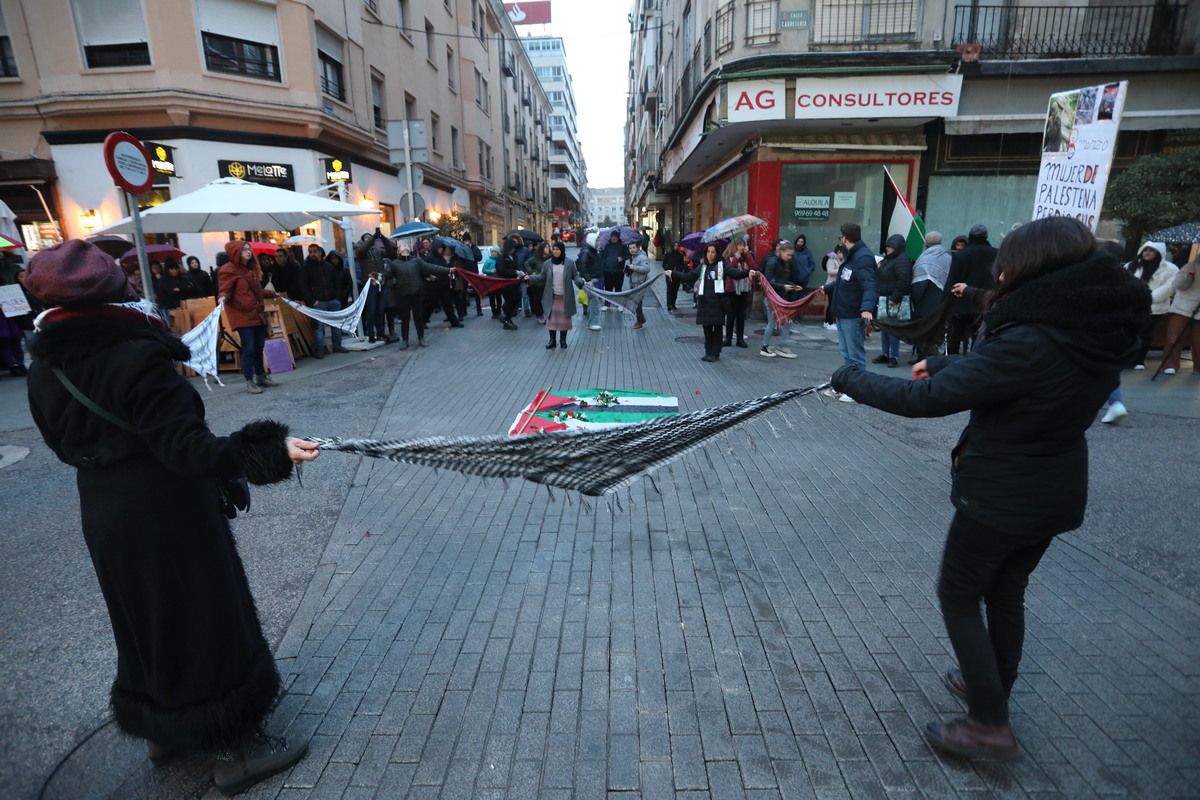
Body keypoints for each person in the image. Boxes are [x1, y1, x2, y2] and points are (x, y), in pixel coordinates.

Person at [831, 216, 1150, 763]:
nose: (999, 268)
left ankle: (989, 727)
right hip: (1053, 487)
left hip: (1004, 491)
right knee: (1005, 591)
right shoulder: (1089, 326)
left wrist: (850, 378)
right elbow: (1026, 373)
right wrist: (952, 361)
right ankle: (991, 687)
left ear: (1031, 267)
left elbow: (924, 401)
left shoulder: (1030, 335)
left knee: (959, 594)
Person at [22, 239, 318, 793]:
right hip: (167, 510)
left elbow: (61, 447)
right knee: (203, 617)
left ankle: (165, 730)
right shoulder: (139, 355)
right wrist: (268, 449)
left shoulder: (45, 365)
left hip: (106, 511)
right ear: (117, 291)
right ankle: (237, 746)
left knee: (146, 621)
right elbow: (188, 451)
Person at [817, 222, 877, 402]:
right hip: (843, 312)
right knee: (847, 353)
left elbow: (870, 285)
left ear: (844, 238)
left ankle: (857, 391)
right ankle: (845, 386)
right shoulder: (853, 256)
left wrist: (867, 308)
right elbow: (845, 282)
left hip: (853, 314)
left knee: (855, 355)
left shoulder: (863, 257)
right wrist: (827, 288)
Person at [219, 240, 280, 392]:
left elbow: (257, 291)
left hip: (256, 313)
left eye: (249, 249)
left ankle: (261, 376)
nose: (248, 252)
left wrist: (272, 294)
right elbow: (225, 289)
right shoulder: (228, 269)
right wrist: (223, 298)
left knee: (259, 346)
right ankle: (249, 380)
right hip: (242, 315)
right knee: (249, 348)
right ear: (236, 252)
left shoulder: (250, 270)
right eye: (244, 249)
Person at [1124, 241, 1178, 369]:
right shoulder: (1131, 266)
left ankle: (1138, 360)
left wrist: (1146, 298)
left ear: (1159, 253)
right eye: (1145, 249)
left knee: (1145, 335)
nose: (1147, 252)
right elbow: (1122, 283)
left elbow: (1169, 288)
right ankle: (1125, 358)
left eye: (1151, 250)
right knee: (1128, 333)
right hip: (1131, 307)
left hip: (1154, 308)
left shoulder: (1171, 269)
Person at [387, 243, 452, 349]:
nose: (405, 246)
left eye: (406, 245)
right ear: (399, 251)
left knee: (418, 317)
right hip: (403, 294)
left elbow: (431, 267)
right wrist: (378, 276)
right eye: (402, 246)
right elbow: (387, 274)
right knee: (405, 318)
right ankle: (405, 340)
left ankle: (421, 338)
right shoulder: (395, 263)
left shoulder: (416, 261)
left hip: (417, 293)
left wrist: (448, 270)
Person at [946, 224, 998, 355]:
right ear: (986, 236)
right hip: (984, 302)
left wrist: (945, 302)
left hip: (960, 304)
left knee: (955, 338)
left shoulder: (961, 255)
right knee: (979, 338)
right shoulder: (996, 254)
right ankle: (975, 363)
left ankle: (950, 365)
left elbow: (952, 281)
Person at [693, 242, 748, 363]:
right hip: (705, 303)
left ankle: (715, 353)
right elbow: (689, 276)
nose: (710, 254)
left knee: (717, 329)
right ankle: (708, 352)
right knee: (706, 329)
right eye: (708, 252)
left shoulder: (722, 265)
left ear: (717, 253)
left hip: (718, 302)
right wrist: (673, 274)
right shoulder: (703, 267)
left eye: (713, 252)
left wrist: (749, 272)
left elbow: (736, 274)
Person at [296, 244, 348, 359]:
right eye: (310, 252)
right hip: (318, 301)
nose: (312, 254)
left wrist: (337, 298)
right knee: (319, 327)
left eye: (314, 251)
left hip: (332, 299)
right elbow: (303, 286)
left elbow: (337, 282)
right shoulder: (306, 267)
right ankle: (319, 349)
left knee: (336, 324)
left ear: (320, 252)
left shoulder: (328, 266)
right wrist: (311, 300)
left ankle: (337, 345)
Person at [909, 231, 954, 362]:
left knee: (923, 329)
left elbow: (919, 284)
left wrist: (914, 299)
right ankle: (934, 355)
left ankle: (922, 356)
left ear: (926, 243)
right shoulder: (948, 257)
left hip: (925, 302)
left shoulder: (924, 258)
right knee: (937, 328)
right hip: (942, 300)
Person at [874, 234, 915, 368]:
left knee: (893, 329)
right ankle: (885, 354)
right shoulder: (888, 260)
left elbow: (904, 280)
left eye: (890, 246)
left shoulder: (902, 260)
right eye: (887, 246)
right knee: (884, 328)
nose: (887, 249)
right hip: (885, 298)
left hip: (893, 300)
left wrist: (895, 298)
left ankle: (894, 356)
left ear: (897, 247)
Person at [759, 242, 804, 360]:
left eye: (791, 255)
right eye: (788, 255)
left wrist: (793, 286)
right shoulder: (773, 262)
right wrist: (785, 287)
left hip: (779, 298)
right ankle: (766, 347)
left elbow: (781, 280)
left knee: (787, 322)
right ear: (782, 252)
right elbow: (767, 282)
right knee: (773, 323)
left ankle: (780, 346)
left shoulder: (782, 262)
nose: (790, 258)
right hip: (772, 299)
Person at [542, 241, 584, 349]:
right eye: (554, 249)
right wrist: (530, 278)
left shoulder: (569, 263)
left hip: (565, 297)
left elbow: (575, 275)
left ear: (562, 251)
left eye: (558, 249)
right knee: (551, 320)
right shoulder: (547, 264)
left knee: (564, 321)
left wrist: (580, 281)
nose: (556, 251)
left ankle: (563, 340)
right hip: (552, 297)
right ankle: (552, 340)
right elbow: (541, 276)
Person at [1162, 257, 1200, 375]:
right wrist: (1188, 275)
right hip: (1182, 307)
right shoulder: (1191, 266)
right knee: (1174, 337)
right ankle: (1170, 364)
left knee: (1198, 340)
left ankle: (1198, 367)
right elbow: (1178, 285)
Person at [421, 241, 464, 328]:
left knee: (448, 305)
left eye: (442, 248)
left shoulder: (441, 258)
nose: (441, 250)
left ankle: (454, 322)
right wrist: (429, 275)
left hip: (443, 285)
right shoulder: (429, 257)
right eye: (440, 248)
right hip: (433, 286)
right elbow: (424, 269)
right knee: (429, 305)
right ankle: (422, 322)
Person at [722, 239, 755, 348]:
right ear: (734, 247)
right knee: (731, 315)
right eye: (739, 245)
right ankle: (728, 338)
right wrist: (736, 258)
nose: (741, 247)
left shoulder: (745, 258)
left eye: (743, 245)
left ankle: (740, 339)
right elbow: (729, 270)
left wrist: (747, 254)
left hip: (744, 289)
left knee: (741, 315)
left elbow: (753, 267)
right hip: (731, 289)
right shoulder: (727, 257)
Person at [0, 252, 29, 376]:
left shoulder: (10, 266)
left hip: (10, 308)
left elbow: (18, 276)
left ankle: (19, 363)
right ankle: (13, 365)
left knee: (15, 338)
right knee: (5, 340)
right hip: (5, 310)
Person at [575, 233, 603, 329]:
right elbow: (583, 266)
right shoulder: (587, 251)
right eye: (597, 241)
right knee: (594, 301)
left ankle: (592, 322)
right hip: (590, 280)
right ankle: (593, 323)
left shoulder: (593, 250)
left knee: (593, 301)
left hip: (593, 279)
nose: (598, 242)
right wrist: (588, 279)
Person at [495, 238, 524, 330]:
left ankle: (506, 318)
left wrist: (519, 273)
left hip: (514, 283)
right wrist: (515, 272)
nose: (514, 249)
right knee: (509, 301)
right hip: (505, 283)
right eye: (512, 247)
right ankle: (507, 319)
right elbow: (502, 270)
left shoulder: (513, 257)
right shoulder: (501, 258)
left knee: (516, 299)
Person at [625, 241, 651, 329]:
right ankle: (641, 320)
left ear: (637, 248)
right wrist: (628, 272)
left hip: (640, 284)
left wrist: (634, 267)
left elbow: (647, 269)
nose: (632, 250)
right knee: (636, 303)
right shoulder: (631, 257)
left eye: (633, 248)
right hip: (633, 283)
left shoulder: (642, 257)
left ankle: (639, 321)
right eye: (630, 248)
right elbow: (631, 269)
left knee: (637, 303)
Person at [600, 231, 626, 311]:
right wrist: (602, 268)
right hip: (607, 271)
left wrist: (622, 258)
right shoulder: (607, 246)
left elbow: (628, 255)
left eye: (615, 236)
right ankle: (607, 305)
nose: (613, 238)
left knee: (618, 289)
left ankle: (619, 305)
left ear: (618, 237)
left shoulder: (622, 246)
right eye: (612, 236)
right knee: (608, 289)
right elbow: (603, 257)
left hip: (618, 271)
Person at [459, 232, 483, 317]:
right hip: (464, 272)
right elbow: (460, 259)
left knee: (476, 291)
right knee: (463, 292)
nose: (467, 242)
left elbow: (479, 257)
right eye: (465, 240)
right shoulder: (461, 248)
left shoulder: (474, 248)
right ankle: (464, 310)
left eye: (468, 240)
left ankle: (479, 310)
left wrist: (471, 250)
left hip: (473, 271)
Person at [525, 241, 549, 323]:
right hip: (536, 283)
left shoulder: (549, 258)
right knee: (538, 300)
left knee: (546, 299)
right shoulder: (535, 258)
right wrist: (531, 272)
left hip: (546, 282)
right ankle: (539, 315)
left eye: (548, 247)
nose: (548, 249)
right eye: (546, 247)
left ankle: (546, 314)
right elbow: (527, 263)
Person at [821, 245, 845, 330]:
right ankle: (828, 322)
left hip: (836, 285)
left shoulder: (840, 260)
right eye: (843, 253)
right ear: (838, 252)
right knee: (831, 304)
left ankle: (828, 322)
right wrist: (842, 270)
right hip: (830, 285)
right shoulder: (831, 259)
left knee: (833, 304)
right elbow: (830, 271)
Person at [662, 240, 690, 312]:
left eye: (677, 245)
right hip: (669, 274)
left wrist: (679, 270)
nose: (676, 247)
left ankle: (673, 304)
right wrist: (667, 270)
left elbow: (682, 265)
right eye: (675, 245)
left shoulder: (680, 255)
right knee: (669, 289)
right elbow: (664, 264)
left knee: (675, 290)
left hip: (677, 275)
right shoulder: (668, 254)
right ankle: (669, 304)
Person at [481, 246, 503, 319]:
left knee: (499, 297)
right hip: (490, 281)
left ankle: (499, 311)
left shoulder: (500, 260)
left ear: (498, 253)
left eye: (495, 251)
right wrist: (490, 271)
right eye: (492, 251)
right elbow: (484, 270)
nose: (493, 253)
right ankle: (494, 312)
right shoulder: (488, 260)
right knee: (491, 297)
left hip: (498, 281)